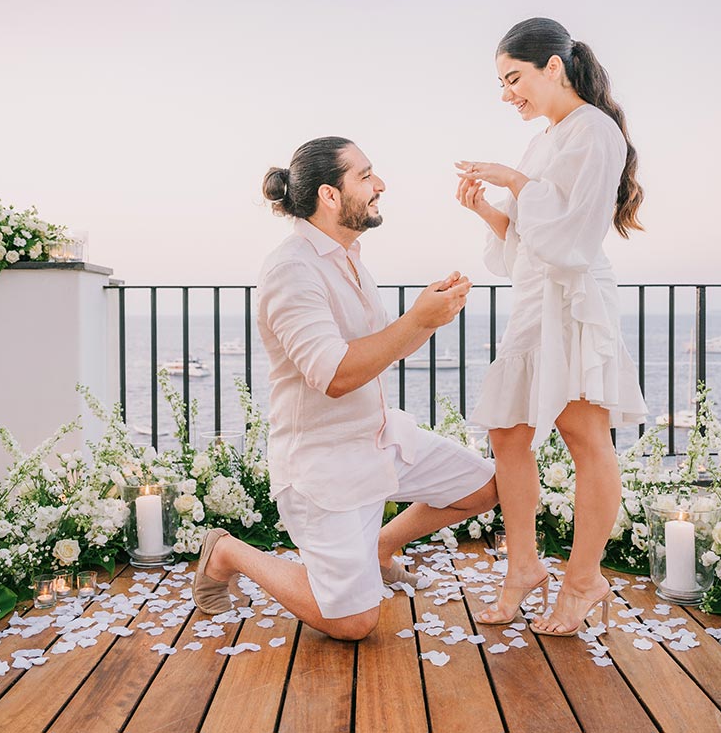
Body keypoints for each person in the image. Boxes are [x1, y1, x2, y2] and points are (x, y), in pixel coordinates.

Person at [194, 136, 498, 641]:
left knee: (486, 485)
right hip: (324, 465)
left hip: (377, 438)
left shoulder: (346, 254)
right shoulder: (292, 269)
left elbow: (378, 349)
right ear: (330, 195)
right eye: (365, 175)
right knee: (353, 624)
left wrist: (430, 319)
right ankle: (229, 551)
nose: (380, 184)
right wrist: (415, 319)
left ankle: (378, 550)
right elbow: (334, 375)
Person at [455, 17, 648, 636]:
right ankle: (523, 568)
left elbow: (571, 239)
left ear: (553, 67)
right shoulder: (546, 139)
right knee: (507, 434)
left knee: (583, 433)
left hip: (575, 296)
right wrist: (489, 208)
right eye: (502, 82)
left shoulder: (595, 132)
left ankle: (585, 578)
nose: (507, 93)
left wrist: (513, 181)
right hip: (536, 298)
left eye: (514, 78)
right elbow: (529, 241)